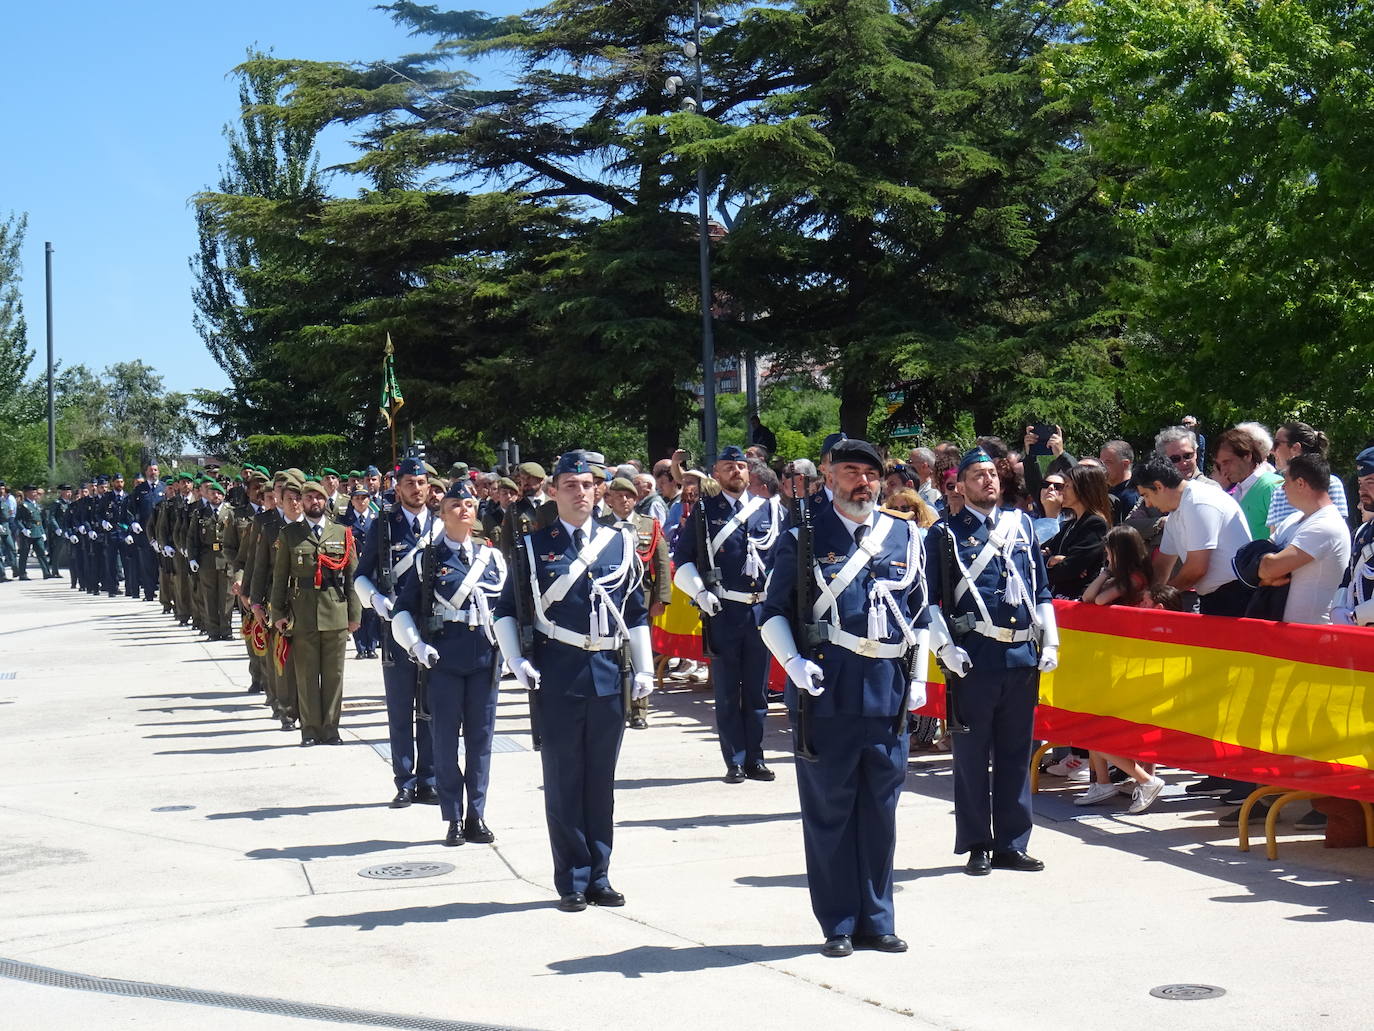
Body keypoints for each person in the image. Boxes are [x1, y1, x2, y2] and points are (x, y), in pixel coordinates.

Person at [759, 438, 927, 958]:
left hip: (886, 693)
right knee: (830, 811)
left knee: (880, 810)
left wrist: (919, 677)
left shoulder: (904, 536)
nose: (862, 482)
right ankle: (837, 921)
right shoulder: (804, 536)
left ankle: (877, 919)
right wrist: (793, 663)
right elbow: (772, 613)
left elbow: (920, 615)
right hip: (825, 693)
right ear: (829, 476)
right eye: (851, 471)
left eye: (870, 474)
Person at [493, 449, 654, 912]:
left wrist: (643, 666)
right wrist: (516, 660)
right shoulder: (532, 546)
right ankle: (572, 879)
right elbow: (506, 611)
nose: (580, 493)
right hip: (558, 673)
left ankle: (600, 875)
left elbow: (636, 612)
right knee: (565, 780)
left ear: (598, 490)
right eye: (569, 485)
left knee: (600, 781)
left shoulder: (620, 542)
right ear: (553, 491)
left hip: (607, 673)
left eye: (587, 485)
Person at [925, 447, 1059, 876]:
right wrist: (944, 648)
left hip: (1021, 654)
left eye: (992, 474)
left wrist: (1050, 642)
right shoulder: (944, 534)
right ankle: (977, 843)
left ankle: (1012, 843)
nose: (988, 481)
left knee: (1016, 754)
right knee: (971, 755)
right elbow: (927, 602)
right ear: (960, 485)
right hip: (975, 656)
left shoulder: (1021, 525)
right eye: (977, 476)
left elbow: (1040, 588)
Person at [387, 478, 506, 845]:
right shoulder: (429, 559)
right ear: (442, 513)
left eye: (469, 504)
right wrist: (416, 646)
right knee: (444, 740)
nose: (464, 509)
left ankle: (477, 815)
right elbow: (402, 612)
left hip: (485, 658)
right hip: (446, 659)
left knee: (480, 741)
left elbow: (507, 610)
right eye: (455, 504)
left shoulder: (493, 558)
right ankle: (453, 815)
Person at [673, 444, 784, 783]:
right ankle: (733, 760)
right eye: (728, 467)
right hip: (723, 609)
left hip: (760, 610)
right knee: (726, 691)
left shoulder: (771, 511)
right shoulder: (705, 512)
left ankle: (755, 757)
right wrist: (700, 592)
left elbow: (783, 560)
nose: (736, 471)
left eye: (740, 466)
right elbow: (683, 559)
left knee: (756, 691)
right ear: (717, 474)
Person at [354, 457, 441, 807]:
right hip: (395, 628)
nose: (416, 489)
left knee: (432, 707)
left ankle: (430, 778)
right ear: (398, 486)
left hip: (433, 627)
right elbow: (362, 574)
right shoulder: (384, 524)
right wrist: (375, 600)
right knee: (400, 708)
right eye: (409, 483)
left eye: (421, 483)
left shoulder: (439, 524)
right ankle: (405, 780)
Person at [271, 478, 361, 746]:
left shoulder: (342, 533)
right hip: (303, 612)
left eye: (318, 498)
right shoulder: (290, 534)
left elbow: (352, 577)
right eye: (308, 498)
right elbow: (280, 577)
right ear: (302, 502)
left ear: (326, 501)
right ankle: (309, 730)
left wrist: (355, 615)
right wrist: (278, 613)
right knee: (306, 675)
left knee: (333, 675)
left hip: (335, 610)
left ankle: (331, 729)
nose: (314, 502)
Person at [1132, 456, 1252, 615]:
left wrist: (1158, 598)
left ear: (1158, 486)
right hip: (1216, 596)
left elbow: (1196, 569)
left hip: (1235, 596)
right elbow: (1162, 565)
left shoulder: (1198, 501)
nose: (1148, 504)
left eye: (1146, 495)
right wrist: (1147, 595)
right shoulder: (1177, 512)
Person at [606, 477, 672, 729]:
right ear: (609, 499)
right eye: (619, 496)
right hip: (608, 600)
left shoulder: (648, 525)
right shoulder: (600, 525)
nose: (624, 501)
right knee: (613, 653)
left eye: (629, 496)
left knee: (640, 653)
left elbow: (662, 564)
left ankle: (639, 711)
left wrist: (662, 598)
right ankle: (617, 706)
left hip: (641, 597)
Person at [1259, 453, 1351, 625]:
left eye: (1286, 483)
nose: (1282, 489)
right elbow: (1261, 559)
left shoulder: (1326, 525)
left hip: (1312, 637)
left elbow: (1268, 569)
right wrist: (1266, 568)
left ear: (1300, 483)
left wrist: (1266, 569)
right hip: (1285, 633)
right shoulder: (1292, 519)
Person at [1042, 464, 1112, 599]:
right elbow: (1040, 554)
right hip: (1057, 595)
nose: (1062, 491)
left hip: (1075, 599)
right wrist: (1050, 561)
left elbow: (1071, 568)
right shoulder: (1069, 524)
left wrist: (1059, 564)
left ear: (1084, 489)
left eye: (1067, 486)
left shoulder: (1095, 523)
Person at [1266, 421, 1349, 534]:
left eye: (1276, 444)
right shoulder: (1279, 491)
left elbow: (1335, 534)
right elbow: (1274, 538)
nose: (1271, 451)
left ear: (1295, 448)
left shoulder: (1330, 483)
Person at [1214, 426, 1282, 540]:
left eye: (1227, 462)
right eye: (1220, 465)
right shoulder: (1238, 489)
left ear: (1247, 456)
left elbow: (1284, 539)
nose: (1223, 470)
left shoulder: (1273, 487)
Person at [1333, 447, 1374, 627]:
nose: (1362, 490)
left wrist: (1357, 616)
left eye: (1370, 482)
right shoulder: (1363, 532)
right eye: (1360, 483)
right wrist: (1338, 609)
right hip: (1357, 637)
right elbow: (1348, 578)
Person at [14, 486, 57, 580]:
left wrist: (42, 532)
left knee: (41, 552)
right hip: (28, 532)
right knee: (24, 553)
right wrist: (23, 529)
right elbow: (17, 520)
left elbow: (40, 520)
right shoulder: (23, 505)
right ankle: (22, 574)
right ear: (27, 493)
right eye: (32, 492)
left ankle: (46, 572)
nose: (35, 494)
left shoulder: (36, 505)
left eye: (35, 492)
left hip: (37, 531)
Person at [1098, 440, 1138, 524]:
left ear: (1125, 464)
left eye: (1108, 462)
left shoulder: (1131, 496)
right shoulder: (1106, 490)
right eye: (1101, 462)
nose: (1101, 467)